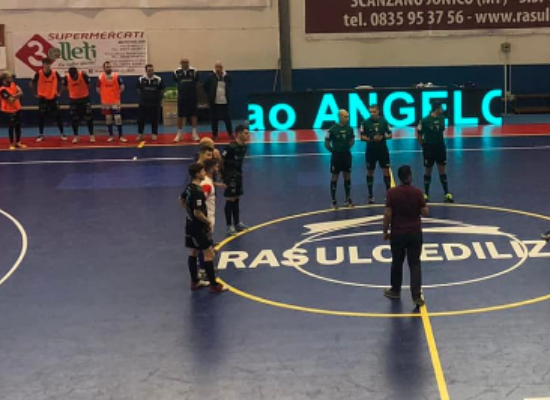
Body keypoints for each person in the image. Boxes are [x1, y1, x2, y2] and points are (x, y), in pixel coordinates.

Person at [383, 165, 429, 307]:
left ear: (399, 177)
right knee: (414, 264)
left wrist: (385, 231)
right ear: (410, 176)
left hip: (397, 233)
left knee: (397, 262)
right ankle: (416, 296)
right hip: (414, 233)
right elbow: (425, 212)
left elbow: (387, 214)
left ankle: (395, 290)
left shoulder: (392, 193)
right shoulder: (418, 192)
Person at [180, 163, 227, 293]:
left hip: (190, 224)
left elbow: (181, 200)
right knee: (209, 254)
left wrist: (188, 213)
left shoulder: (189, 187)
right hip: (198, 226)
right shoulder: (198, 191)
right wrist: (207, 222)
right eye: (202, 172)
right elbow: (198, 212)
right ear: (197, 174)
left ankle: (194, 281)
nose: (204, 173)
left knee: (193, 252)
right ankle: (214, 285)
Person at [417, 102, 454, 203]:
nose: (442, 109)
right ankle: (426, 194)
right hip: (429, 147)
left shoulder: (442, 118)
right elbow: (419, 133)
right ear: (436, 109)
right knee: (428, 170)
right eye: (441, 108)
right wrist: (423, 146)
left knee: (442, 170)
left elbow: (441, 129)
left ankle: (446, 193)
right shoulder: (425, 120)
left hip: (440, 147)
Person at [360, 104, 392, 204]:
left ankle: (389, 194)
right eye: (370, 112)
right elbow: (362, 137)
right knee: (370, 171)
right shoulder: (365, 123)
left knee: (386, 170)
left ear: (378, 111)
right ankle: (370, 195)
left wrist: (383, 137)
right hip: (371, 150)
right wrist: (371, 139)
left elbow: (390, 135)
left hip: (382, 149)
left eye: (374, 112)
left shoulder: (384, 121)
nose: (372, 114)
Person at [221, 124, 249, 236]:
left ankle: (237, 223)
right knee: (230, 200)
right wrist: (223, 176)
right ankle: (229, 225)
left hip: (238, 175)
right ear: (239, 133)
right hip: (230, 176)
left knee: (237, 198)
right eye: (246, 133)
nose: (248, 135)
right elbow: (221, 162)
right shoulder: (230, 147)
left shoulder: (244, 146)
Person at [29, 58, 66, 142]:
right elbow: (31, 83)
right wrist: (34, 94)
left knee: (58, 116)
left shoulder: (55, 73)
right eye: (45, 64)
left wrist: (59, 92)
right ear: (43, 64)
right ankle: (41, 134)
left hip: (53, 97)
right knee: (41, 117)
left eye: (48, 64)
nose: (47, 65)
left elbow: (62, 82)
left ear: (50, 64)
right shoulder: (39, 73)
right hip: (43, 98)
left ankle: (62, 133)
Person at [325, 109, 355, 209]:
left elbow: (352, 140)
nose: (347, 118)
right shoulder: (332, 129)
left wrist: (346, 148)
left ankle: (348, 198)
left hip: (346, 155)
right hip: (336, 156)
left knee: (347, 176)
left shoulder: (350, 129)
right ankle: (333, 200)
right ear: (340, 117)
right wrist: (334, 151)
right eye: (346, 116)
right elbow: (326, 143)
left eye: (348, 116)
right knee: (335, 177)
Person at [97, 61, 127, 143]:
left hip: (115, 101)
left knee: (118, 118)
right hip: (105, 102)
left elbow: (122, 87)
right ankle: (111, 136)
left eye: (109, 66)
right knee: (108, 118)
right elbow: (98, 89)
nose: (108, 68)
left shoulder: (116, 76)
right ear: (104, 68)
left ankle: (121, 136)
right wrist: (104, 95)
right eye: (107, 67)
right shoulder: (100, 77)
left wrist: (116, 94)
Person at [63, 67, 94, 144]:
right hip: (73, 100)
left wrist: (83, 91)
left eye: (74, 75)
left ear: (77, 73)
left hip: (85, 99)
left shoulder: (83, 75)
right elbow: (65, 87)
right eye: (71, 75)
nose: (73, 77)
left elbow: (89, 84)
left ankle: (91, 135)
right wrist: (73, 92)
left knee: (89, 117)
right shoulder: (66, 77)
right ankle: (76, 136)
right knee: (74, 119)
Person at [204, 61, 233, 140]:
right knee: (214, 119)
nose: (218, 68)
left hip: (224, 101)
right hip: (214, 101)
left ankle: (230, 133)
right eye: (217, 67)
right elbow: (205, 86)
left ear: (222, 68)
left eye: (219, 67)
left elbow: (229, 85)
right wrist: (210, 95)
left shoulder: (227, 77)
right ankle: (215, 135)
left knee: (227, 118)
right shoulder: (210, 77)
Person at [136, 64, 165, 142]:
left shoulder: (158, 79)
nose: (151, 72)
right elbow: (138, 90)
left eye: (152, 70)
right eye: (149, 70)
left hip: (155, 103)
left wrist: (158, 98)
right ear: (146, 71)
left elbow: (162, 90)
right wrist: (144, 97)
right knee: (141, 119)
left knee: (154, 119)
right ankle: (140, 134)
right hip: (143, 103)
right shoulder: (141, 79)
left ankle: (154, 134)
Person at [173, 58, 200, 142]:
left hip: (192, 97)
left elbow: (196, 82)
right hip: (182, 97)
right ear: (180, 63)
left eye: (187, 62)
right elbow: (176, 82)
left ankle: (194, 133)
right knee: (180, 116)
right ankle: (179, 134)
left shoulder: (194, 71)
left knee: (194, 115)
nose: (185, 64)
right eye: (183, 62)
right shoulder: (176, 72)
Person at [0, 72, 26, 150]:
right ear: (4, 79)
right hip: (9, 111)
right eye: (9, 77)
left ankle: (18, 142)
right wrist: (17, 95)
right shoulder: (2, 90)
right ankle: (11, 143)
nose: (11, 78)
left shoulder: (13, 84)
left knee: (18, 126)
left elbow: (21, 92)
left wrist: (13, 96)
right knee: (11, 127)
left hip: (17, 108)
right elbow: (10, 100)